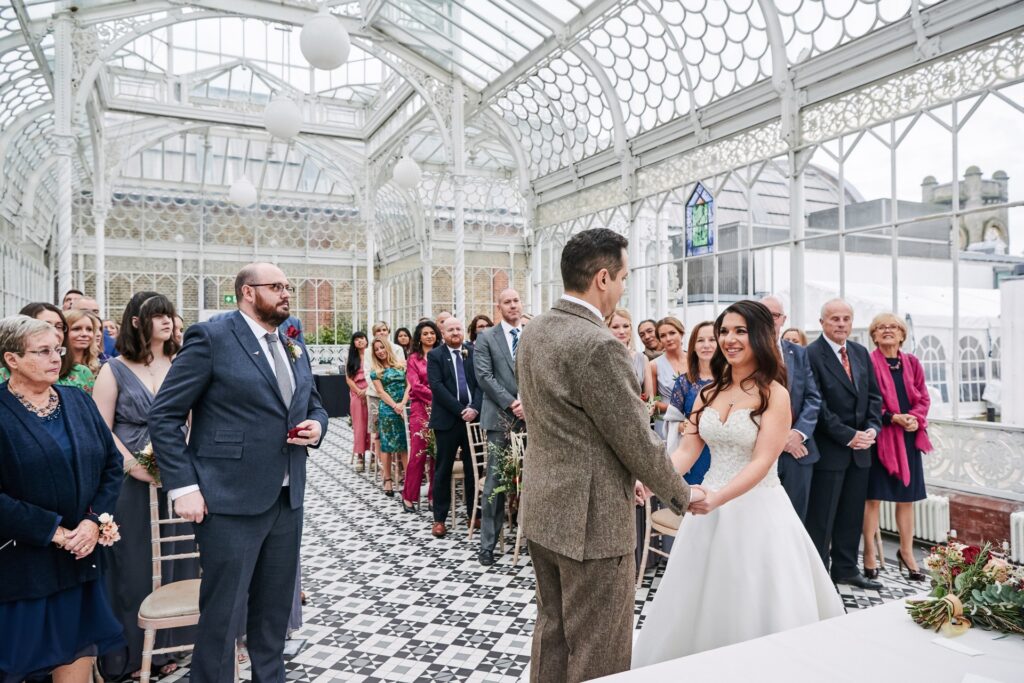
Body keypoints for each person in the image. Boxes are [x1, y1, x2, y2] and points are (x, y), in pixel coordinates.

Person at [517, 228, 696, 682]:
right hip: (591, 523)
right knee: (601, 646)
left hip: (542, 508)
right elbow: (635, 438)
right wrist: (683, 495)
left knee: (552, 632)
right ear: (601, 278)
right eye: (622, 277)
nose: (622, 287)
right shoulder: (598, 346)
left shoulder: (535, 330)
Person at [633, 300, 845, 667]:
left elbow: (763, 462)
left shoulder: (774, 394)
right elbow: (687, 449)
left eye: (740, 331)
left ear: (760, 336)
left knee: (754, 598)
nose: (729, 339)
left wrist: (718, 498)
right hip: (708, 510)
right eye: (725, 331)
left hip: (757, 510)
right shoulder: (707, 392)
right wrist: (654, 481)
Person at [148, 262, 328, 683]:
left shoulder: (291, 338)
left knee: (273, 611)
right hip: (227, 499)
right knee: (223, 615)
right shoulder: (211, 337)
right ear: (248, 292)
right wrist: (185, 486)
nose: (287, 293)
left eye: (288, 286)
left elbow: (313, 401)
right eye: (277, 287)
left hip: (286, 497)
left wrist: (317, 426)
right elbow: (165, 415)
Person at [0, 315, 124, 682]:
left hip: (80, 562)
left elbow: (111, 467)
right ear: (12, 360)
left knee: (77, 657)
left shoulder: (77, 402)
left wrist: (92, 522)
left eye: (57, 349)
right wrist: (53, 532)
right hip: (23, 567)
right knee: (20, 667)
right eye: (42, 352)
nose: (56, 358)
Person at [92, 293, 197, 679]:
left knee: (179, 557)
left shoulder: (182, 363)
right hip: (129, 477)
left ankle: (173, 642)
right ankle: (134, 654)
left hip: (178, 473)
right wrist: (133, 464)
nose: (168, 321)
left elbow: (192, 418)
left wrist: (181, 460)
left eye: (170, 314)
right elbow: (101, 429)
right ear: (137, 322)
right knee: (134, 563)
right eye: (158, 315)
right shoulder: (113, 369)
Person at [805, 298, 883, 590]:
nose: (841, 324)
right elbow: (817, 405)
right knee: (822, 517)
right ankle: (818, 574)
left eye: (846, 318)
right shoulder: (811, 354)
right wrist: (848, 435)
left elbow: (874, 397)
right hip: (830, 450)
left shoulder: (861, 353)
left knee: (851, 514)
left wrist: (872, 429)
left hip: (862, 450)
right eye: (835, 318)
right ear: (822, 322)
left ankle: (846, 568)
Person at [862, 313, 931, 582]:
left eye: (893, 327)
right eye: (881, 327)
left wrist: (916, 418)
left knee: (906, 499)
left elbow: (923, 397)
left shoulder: (912, 363)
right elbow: (866, 401)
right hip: (880, 437)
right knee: (872, 498)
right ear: (874, 336)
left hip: (909, 438)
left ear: (902, 334)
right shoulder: (867, 363)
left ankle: (906, 552)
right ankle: (869, 552)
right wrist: (891, 417)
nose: (887, 331)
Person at [474, 289, 525, 566]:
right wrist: (512, 403)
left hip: (532, 418)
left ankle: (532, 537)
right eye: (507, 301)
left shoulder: (531, 334)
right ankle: (488, 545)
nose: (513, 305)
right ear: (499, 307)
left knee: (535, 478)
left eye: (516, 300)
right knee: (496, 480)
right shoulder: (486, 337)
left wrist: (528, 402)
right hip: (499, 419)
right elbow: (484, 376)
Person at [762, 296, 822, 524]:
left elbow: (813, 397)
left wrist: (798, 434)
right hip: (760, 452)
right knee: (764, 520)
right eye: (763, 315)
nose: (769, 320)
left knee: (795, 521)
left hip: (798, 451)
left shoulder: (798, 353)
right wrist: (779, 439)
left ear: (783, 319)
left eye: (775, 315)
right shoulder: (745, 353)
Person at [426, 317, 481, 539]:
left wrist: (475, 408)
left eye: (458, 328)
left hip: (473, 420)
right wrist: (461, 410)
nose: (456, 332)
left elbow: (480, 383)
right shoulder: (435, 355)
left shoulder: (473, 352)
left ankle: (473, 514)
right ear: (443, 333)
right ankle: (439, 519)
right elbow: (437, 387)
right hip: (448, 421)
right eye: (451, 330)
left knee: (473, 469)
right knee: (443, 470)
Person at [0, 303, 93, 392]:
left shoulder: (81, 374)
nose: (55, 332)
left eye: (59, 326)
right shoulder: (3, 378)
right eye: (46, 325)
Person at [668, 321, 716, 483]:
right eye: (700, 340)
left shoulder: (732, 381)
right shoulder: (684, 382)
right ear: (693, 346)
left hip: (721, 449)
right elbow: (672, 420)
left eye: (712, 339)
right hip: (692, 451)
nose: (706, 345)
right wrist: (682, 426)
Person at [402, 321, 441, 512]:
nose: (429, 336)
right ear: (419, 337)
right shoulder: (413, 359)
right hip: (420, 409)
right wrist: (437, 396)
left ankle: (434, 496)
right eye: (425, 333)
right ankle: (409, 496)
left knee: (437, 454)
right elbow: (415, 385)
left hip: (441, 410)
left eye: (432, 333)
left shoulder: (441, 355)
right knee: (419, 453)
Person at [369, 339, 409, 498]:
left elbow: (410, 385)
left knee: (405, 444)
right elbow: (380, 392)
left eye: (382, 347)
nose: (380, 351)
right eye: (376, 349)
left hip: (404, 408)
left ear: (387, 348)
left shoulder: (401, 365)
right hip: (388, 410)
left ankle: (408, 480)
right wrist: (395, 406)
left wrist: (404, 403)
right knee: (387, 445)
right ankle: (387, 479)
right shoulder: (375, 371)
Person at [651, 317, 686, 439]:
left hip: (694, 420)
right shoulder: (654, 365)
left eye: (672, 333)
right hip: (667, 422)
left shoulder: (696, 361)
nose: (668, 338)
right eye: (663, 335)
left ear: (681, 333)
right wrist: (675, 408)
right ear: (660, 340)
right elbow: (652, 401)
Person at [607, 308, 654, 399]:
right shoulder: (602, 356)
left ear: (631, 329)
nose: (622, 331)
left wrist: (649, 408)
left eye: (625, 326)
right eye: (615, 327)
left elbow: (650, 397)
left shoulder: (642, 358)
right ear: (607, 329)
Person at [345, 331, 370, 472]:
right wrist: (359, 391)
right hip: (356, 394)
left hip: (372, 391)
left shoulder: (372, 355)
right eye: (356, 339)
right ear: (353, 343)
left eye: (362, 338)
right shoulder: (351, 359)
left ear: (366, 340)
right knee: (359, 425)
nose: (360, 341)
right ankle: (360, 456)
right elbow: (348, 379)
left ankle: (373, 456)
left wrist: (367, 390)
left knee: (373, 425)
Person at [64, 309, 100, 392]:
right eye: (76, 329)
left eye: (89, 329)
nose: (84, 334)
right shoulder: (55, 369)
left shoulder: (101, 366)